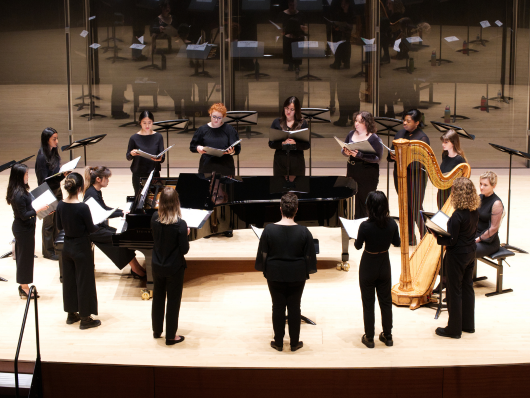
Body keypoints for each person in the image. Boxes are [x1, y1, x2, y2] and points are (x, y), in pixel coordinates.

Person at [255, 192, 317, 352]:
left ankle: (278, 343)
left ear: (280, 209)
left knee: (277, 307)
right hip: (297, 274)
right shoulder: (304, 232)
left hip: (275, 274)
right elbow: (309, 256)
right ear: (296, 210)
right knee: (295, 307)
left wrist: (268, 268)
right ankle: (295, 343)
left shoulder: (269, 230)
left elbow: (263, 254)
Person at [430, 178, 480, 339]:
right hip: (471, 253)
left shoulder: (457, 216)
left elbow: (451, 241)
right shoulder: (474, 211)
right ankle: (468, 325)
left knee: (454, 291)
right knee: (467, 288)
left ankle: (454, 329)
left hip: (457, 256)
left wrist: (436, 235)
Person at [354, 191, 400, 348]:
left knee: (368, 303)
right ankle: (388, 336)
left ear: (369, 207)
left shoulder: (365, 226)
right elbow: (397, 242)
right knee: (386, 301)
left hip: (368, 265)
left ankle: (369, 337)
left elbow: (358, 245)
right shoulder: (392, 224)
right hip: (384, 264)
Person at [56, 173, 101, 330]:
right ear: (80, 188)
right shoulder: (83, 207)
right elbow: (91, 229)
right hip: (81, 247)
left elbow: (59, 226)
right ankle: (85, 318)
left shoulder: (60, 205)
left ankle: (71, 314)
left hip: (67, 247)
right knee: (84, 281)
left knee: (69, 281)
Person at [83, 166, 146, 278]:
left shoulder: (95, 191)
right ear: (98, 179)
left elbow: (104, 209)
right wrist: (121, 213)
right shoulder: (91, 193)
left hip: (98, 226)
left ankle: (136, 268)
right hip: (93, 231)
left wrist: (121, 211)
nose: (108, 180)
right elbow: (103, 213)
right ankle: (136, 269)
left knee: (123, 237)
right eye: (106, 178)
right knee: (120, 240)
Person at [151, 187, 190, 345]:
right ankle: (171, 336)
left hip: (157, 265)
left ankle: (157, 330)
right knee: (173, 300)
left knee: (158, 298)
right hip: (174, 267)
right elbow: (184, 250)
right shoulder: (180, 225)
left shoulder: (154, 217)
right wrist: (185, 235)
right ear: (176, 203)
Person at [388, 109, 430, 246]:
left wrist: (404, 158)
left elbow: (420, 162)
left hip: (416, 175)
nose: (404, 123)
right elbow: (390, 153)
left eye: (408, 121)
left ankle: (426, 236)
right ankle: (409, 238)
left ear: (417, 123)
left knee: (416, 206)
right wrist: (392, 156)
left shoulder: (422, 139)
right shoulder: (399, 133)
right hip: (400, 174)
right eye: (404, 120)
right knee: (405, 206)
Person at [6, 164, 49, 299]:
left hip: (26, 228)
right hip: (23, 229)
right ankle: (24, 286)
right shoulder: (18, 194)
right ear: (19, 176)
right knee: (24, 259)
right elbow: (24, 215)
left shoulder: (21, 189)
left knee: (26, 257)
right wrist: (39, 209)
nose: (28, 176)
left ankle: (23, 285)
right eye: (26, 174)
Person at [341, 111, 384, 219]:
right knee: (352, 200)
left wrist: (360, 155)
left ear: (367, 123)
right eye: (356, 120)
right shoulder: (351, 134)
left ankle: (366, 226)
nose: (356, 124)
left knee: (365, 201)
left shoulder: (374, 138)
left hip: (367, 172)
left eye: (360, 122)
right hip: (352, 170)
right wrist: (345, 152)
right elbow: (344, 149)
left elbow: (377, 158)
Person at [35, 127, 65, 260]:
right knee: (48, 223)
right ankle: (48, 252)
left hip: (56, 189)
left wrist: (63, 174)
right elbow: (43, 180)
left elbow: (54, 176)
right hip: (47, 193)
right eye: (54, 139)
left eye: (57, 138)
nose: (57, 141)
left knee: (57, 220)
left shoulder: (53, 152)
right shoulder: (42, 156)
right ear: (47, 140)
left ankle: (56, 246)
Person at [189, 103, 241, 176]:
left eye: (219, 117)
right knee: (207, 186)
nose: (216, 120)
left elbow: (237, 149)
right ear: (210, 114)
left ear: (223, 117)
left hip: (225, 165)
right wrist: (198, 148)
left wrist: (232, 152)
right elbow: (192, 146)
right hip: (207, 165)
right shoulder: (202, 129)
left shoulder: (229, 129)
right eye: (214, 116)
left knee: (225, 187)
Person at [126, 110, 165, 197]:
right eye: (144, 123)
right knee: (139, 197)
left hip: (154, 173)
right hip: (138, 173)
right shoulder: (134, 138)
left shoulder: (158, 136)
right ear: (140, 123)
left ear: (153, 122)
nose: (147, 125)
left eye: (149, 122)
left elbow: (162, 156)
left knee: (154, 197)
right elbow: (128, 156)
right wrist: (132, 153)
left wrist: (160, 158)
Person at [269, 96, 309, 176]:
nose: (288, 111)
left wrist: (295, 143)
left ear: (296, 110)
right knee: (279, 186)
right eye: (287, 108)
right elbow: (271, 144)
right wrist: (282, 143)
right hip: (280, 161)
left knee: (297, 187)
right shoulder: (276, 122)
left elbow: (307, 145)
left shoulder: (302, 123)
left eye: (292, 109)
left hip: (297, 161)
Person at [475, 171, 503, 258]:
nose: (481, 187)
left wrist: (479, 239)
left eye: (485, 185)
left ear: (493, 186)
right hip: (476, 235)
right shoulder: (480, 197)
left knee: (465, 251)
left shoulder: (496, 203)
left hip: (488, 242)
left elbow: (494, 228)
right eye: (480, 184)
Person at [437, 129, 467, 209]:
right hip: (442, 192)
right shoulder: (445, 155)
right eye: (443, 141)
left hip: (452, 195)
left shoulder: (460, 160)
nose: (443, 144)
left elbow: (464, 180)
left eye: (446, 142)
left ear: (453, 143)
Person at [280, 0, 308, 72]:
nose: (292, 7)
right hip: (288, 36)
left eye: (293, 5)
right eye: (290, 5)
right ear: (288, 5)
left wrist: (302, 27)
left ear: (296, 5)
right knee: (288, 47)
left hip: (298, 36)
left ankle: (297, 65)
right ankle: (290, 64)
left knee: (298, 47)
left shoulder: (300, 14)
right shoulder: (284, 14)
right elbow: (283, 26)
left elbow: (304, 26)